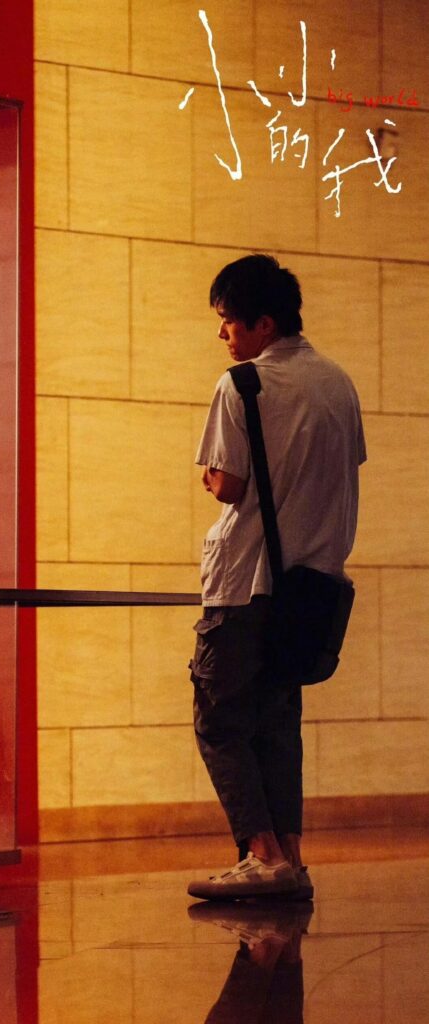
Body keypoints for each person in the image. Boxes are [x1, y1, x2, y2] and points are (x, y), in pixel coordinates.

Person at [187, 254, 366, 901]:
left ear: (264, 323)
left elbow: (227, 484)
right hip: (309, 589)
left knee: (219, 720)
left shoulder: (242, 385)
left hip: (247, 582)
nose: (222, 333)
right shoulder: (339, 383)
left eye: (229, 320)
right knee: (277, 724)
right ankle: (290, 857)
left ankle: (261, 856)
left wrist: (211, 476)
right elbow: (337, 469)